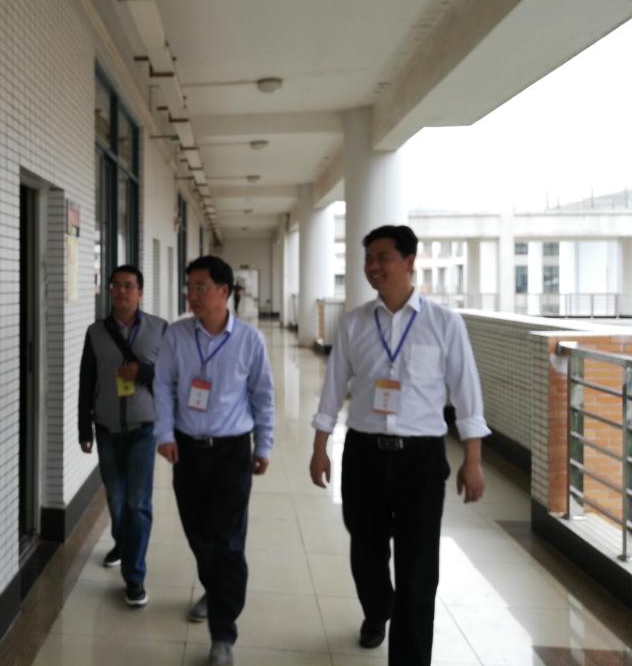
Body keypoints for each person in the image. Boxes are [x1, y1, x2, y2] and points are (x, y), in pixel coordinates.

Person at [309, 225, 489, 665]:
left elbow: (467, 393)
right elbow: (333, 389)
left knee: (418, 567)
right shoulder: (354, 323)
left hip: (421, 459)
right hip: (364, 453)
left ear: (409, 261)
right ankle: (377, 610)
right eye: (368, 259)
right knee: (365, 551)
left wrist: (473, 459)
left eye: (382, 257)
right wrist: (319, 447)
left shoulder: (444, 323)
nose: (373, 266)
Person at [154, 255, 275, 666]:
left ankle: (223, 631)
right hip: (187, 450)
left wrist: (264, 445)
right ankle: (215, 587)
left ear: (224, 291)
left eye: (200, 287)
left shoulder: (249, 341)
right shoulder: (176, 335)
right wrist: (165, 435)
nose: (192, 295)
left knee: (227, 540)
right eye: (189, 287)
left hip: (231, 451)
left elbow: (263, 396)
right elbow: (163, 386)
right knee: (198, 534)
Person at [78, 265, 168, 607]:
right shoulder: (95, 332)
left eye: (129, 286)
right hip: (106, 428)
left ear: (140, 292)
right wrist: (83, 428)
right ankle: (123, 541)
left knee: (138, 503)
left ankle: (134, 576)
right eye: (116, 285)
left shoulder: (159, 329)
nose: (121, 291)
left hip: (144, 428)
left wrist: (141, 371)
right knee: (116, 500)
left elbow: (170, 377)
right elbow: (87, 380)